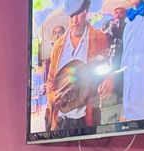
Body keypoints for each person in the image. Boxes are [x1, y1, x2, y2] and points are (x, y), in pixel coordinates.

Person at [47, 0, 110, 130]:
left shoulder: (99, 38)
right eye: (71, 15)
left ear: (86, 12)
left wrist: (108, 81)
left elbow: (106, 71)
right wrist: (53, 97)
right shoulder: (58, 46)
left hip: (87, 118)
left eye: (78, 14)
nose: (74, 20)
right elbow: (50, 82)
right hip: (61, 120)